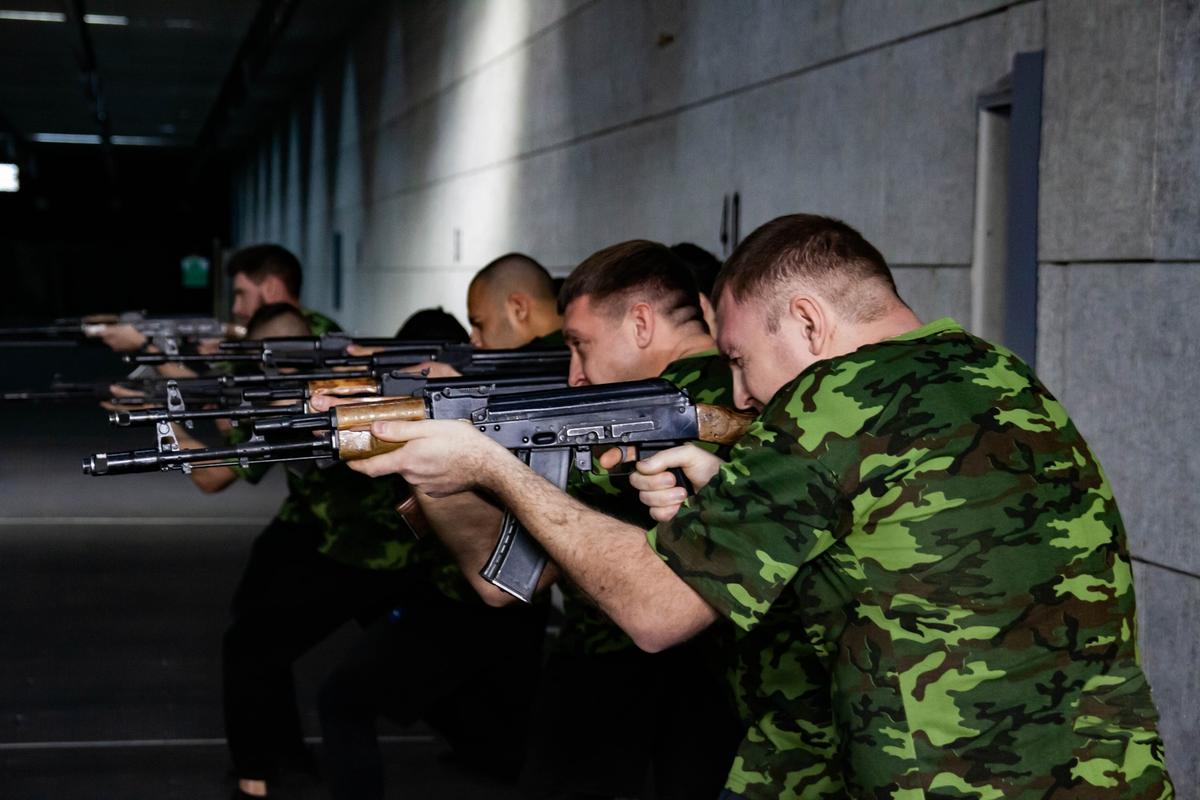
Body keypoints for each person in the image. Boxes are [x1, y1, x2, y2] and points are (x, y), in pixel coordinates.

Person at [343, 214, 1174, 799]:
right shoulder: (996, 371)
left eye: (740, 361)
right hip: (1101, 771)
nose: (740, 393)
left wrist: (490, 465)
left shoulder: (836, 398)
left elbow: (657, 615)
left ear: (808, 322)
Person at [358, 241, 742, 798]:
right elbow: (502, 578)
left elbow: (510, 583)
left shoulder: (666, 413)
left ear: (641, 322)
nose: (575, 374)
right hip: (686, 683)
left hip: (625, 669)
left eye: (581, 345)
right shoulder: (719, 396)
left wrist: (475, 456)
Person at [315, 307, 548, 800]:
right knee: (490, 709)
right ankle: (491, 755)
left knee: (342, 698)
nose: (479, 343)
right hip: (479, 592)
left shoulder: (488, 409)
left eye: (482, 329)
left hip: (471, 596)